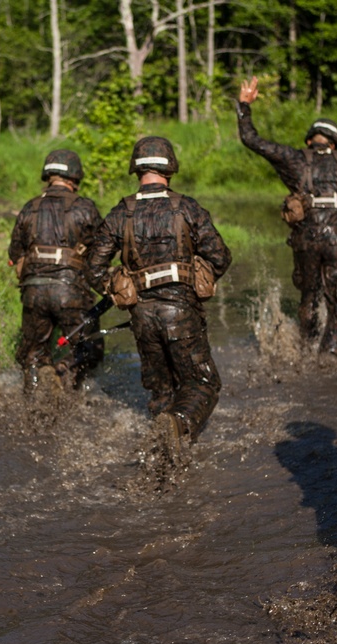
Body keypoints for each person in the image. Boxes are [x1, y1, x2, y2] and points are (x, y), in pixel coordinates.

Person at [86, 136, 232, 452]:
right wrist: (198, 278)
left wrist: (116, 290)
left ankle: (162, 457)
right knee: (203, 384)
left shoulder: (119, 213)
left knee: (161, 392)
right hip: (182, 314)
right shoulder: (187, 208)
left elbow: (93, 269)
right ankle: (179, 423)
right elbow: (221, 257)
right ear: (171, 168)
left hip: (142, 318)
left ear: (136, 169)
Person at [236, 75, 337, 359]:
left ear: (309, 141)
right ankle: (331, 357)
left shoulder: (294, 158)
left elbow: (251, 140)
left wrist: (244, 105)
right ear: (335, 143)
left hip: (305, 238)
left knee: (309, 296)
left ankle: (305, 349)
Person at [8, 149, 104, 392]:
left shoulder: (29, 208)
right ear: (75, 177)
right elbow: (103, 252)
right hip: (71, 292)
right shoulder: (85, 208)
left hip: (33, 294)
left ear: (48, 175)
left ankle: (32, 408)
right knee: (89, 349)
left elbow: (14, 254)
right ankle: (63, 372)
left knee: (33, 355)